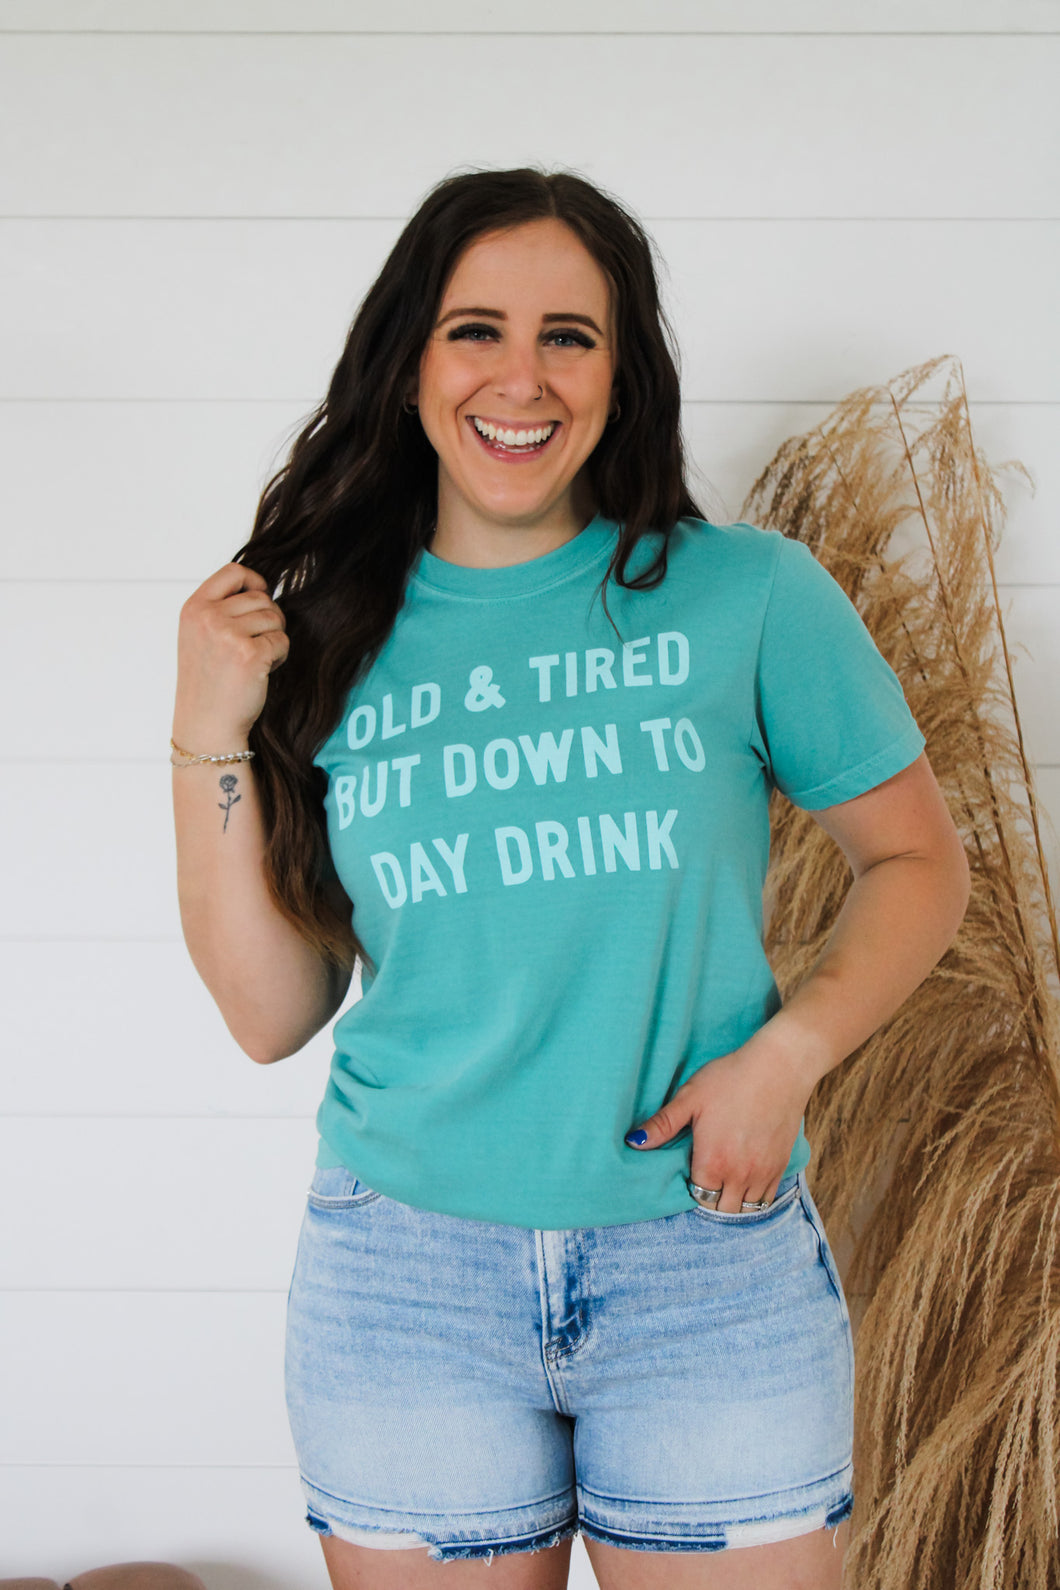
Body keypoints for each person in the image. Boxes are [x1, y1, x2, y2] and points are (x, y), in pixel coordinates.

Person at [170, 167, 971, 1590]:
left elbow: (917, 861)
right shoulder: (326, 638)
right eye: (475, 329)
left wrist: (788, 1057)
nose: (521, 377)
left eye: (570, 336)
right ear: (410, 362)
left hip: (705, 1267)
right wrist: (204, 731)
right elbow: (271, 1011)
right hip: (407, 1281)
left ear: (622, 372)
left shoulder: (749, 597)